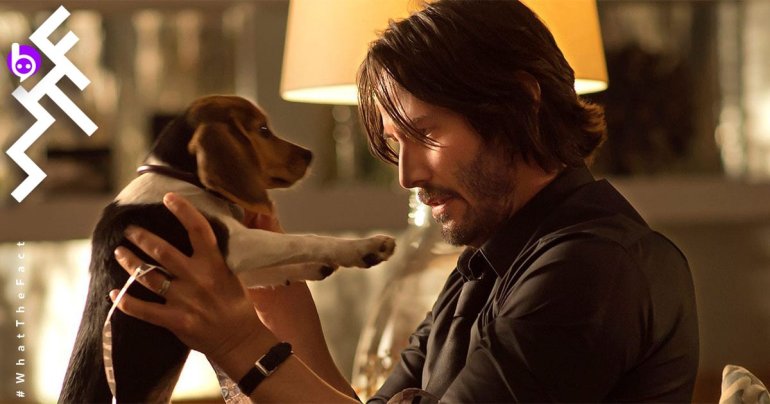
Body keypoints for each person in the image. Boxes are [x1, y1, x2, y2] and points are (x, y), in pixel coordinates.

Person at [110, 0, 699, 402]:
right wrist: (274, 293)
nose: (407, 175)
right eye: (395, 145)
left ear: (521, 102)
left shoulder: (591, 268)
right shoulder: (487, 267)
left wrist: (240, 344)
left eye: (425, 134)